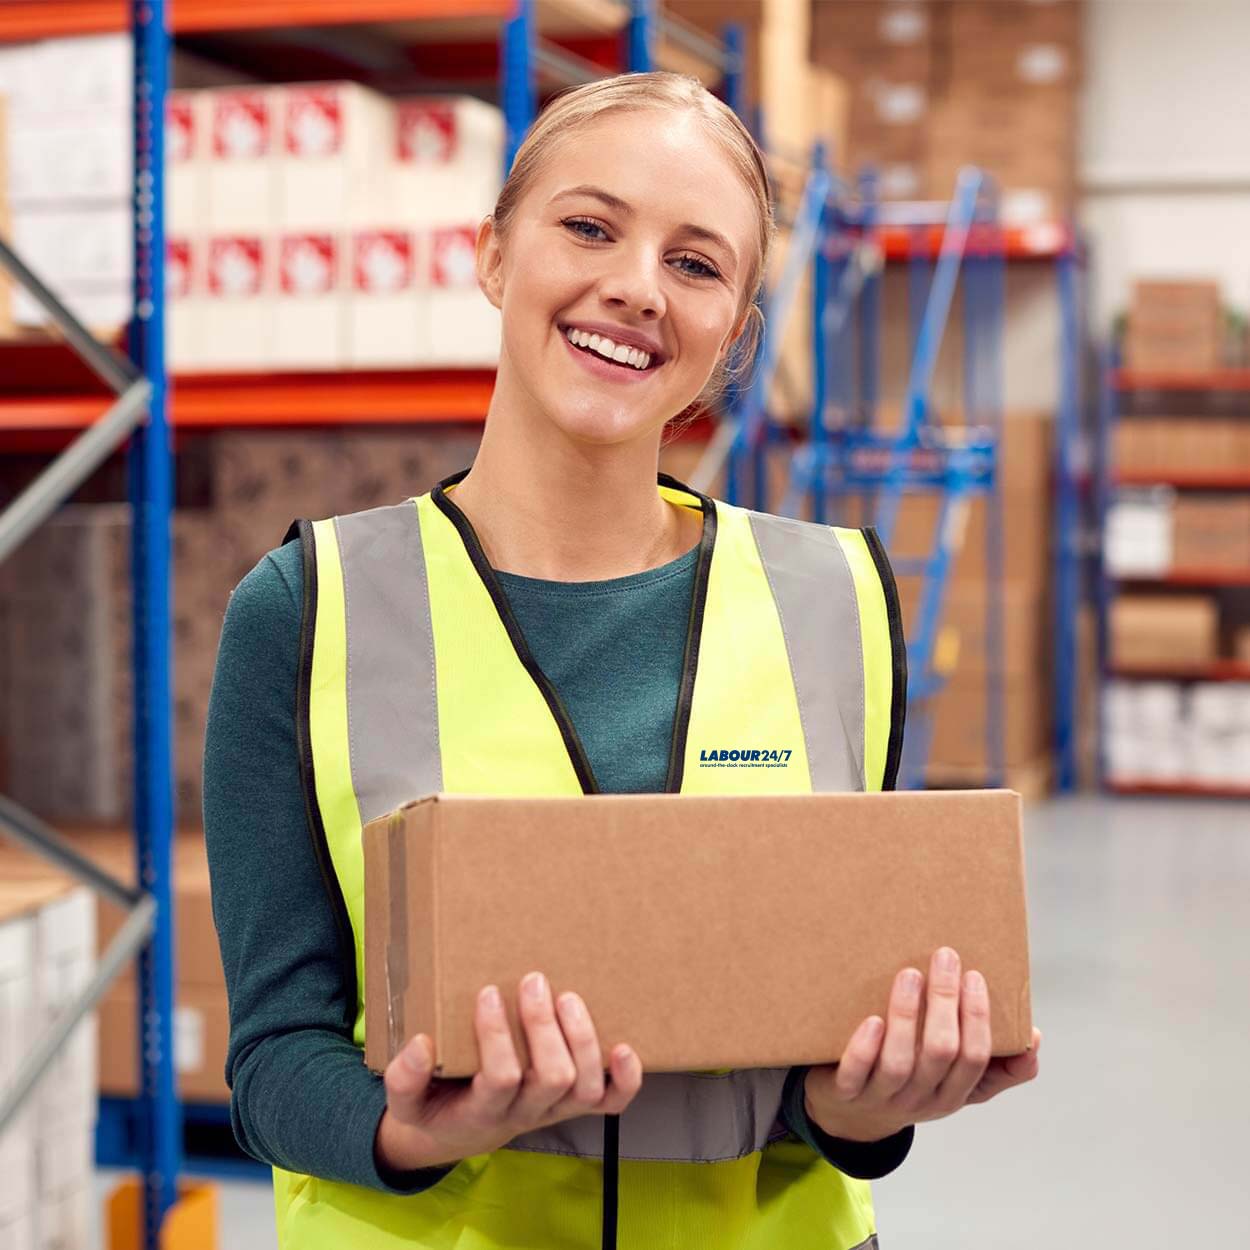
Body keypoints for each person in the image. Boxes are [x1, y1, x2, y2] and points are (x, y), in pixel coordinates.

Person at [204, 70, 1041, 1250]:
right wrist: (413, 1127)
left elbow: (818, 1037)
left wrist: (866, 1106)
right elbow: (273, 1055)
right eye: (588, 227)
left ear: (734, 332)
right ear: (494, 254)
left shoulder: (834, 599)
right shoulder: (310, 608)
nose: (635, 288)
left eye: (695, 263)